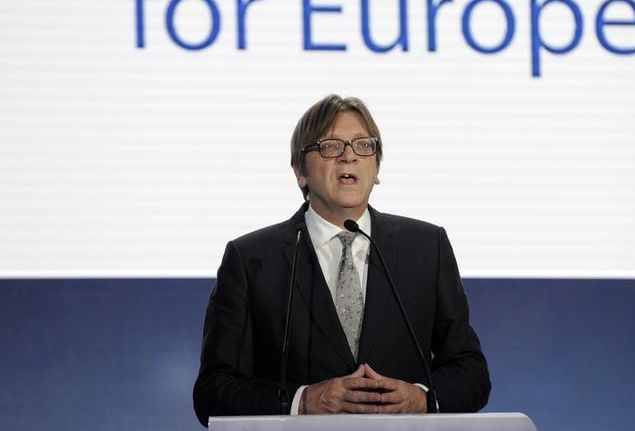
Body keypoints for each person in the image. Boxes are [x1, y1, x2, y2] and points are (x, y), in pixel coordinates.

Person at [193, 95, 490, 425]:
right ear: (300, 172)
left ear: (376, 169)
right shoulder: (253, 259)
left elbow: (471, 371)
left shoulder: (425, 246)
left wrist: (422, 398)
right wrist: (302, 401)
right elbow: (212, 392)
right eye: (330, 146)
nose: (349, 155)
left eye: (364, 145)